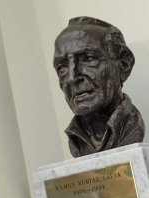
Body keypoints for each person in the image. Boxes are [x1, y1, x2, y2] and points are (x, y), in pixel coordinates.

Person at [53, 16, 145, 158]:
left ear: (124, 64)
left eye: (88, 59)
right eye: (62, 67)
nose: (72, 78)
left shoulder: (131, 127)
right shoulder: (76, 139)